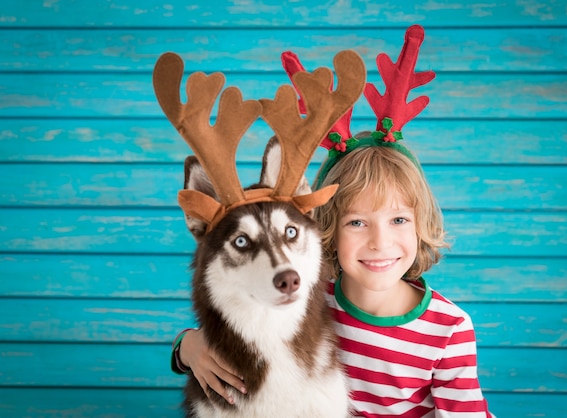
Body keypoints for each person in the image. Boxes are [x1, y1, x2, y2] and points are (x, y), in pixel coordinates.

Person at [172, 24, 494, 417]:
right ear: (326, 229)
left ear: (420, 223)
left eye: (397, 220)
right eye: (357, 223)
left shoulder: (448, 330)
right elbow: (235, 320)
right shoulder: (309, 296)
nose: (380, 241)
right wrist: (187, 346)